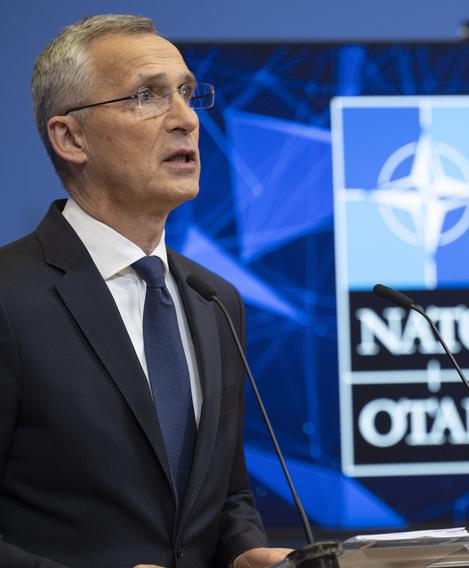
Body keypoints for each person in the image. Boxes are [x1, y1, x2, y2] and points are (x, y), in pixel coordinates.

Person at [0, 14, 294, 568]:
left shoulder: (216, 301)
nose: (186, 119)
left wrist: (246, 551)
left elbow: (224, 495)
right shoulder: (9, 299)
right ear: (70, 136)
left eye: (187, 92)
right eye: (147, 96)